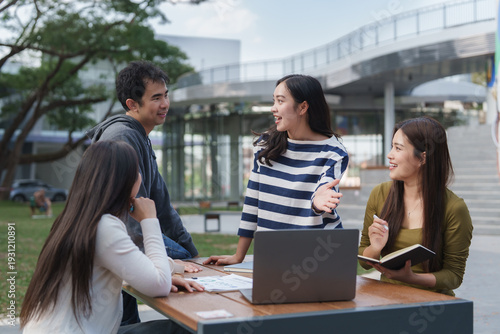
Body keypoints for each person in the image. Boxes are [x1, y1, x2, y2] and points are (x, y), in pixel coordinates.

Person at [20, 141, 202, 333]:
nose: (140, 178)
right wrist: (149, 220)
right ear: (124, 180)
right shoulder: (105, 226)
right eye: (137, 171)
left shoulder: (74, 219)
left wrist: (169, 269)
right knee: (184, 329)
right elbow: (159, 286)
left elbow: (125, 264)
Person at [86, 60, 200, 324]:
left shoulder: (141, 136)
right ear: (132, 104)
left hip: (124, 238)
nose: (165, 104)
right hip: (115, 237)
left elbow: (161, 203)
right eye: (156, 98)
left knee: (185, 258)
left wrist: (192, 253)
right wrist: (180, 258)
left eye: (166, 95)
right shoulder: (122, 138)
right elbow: (123, 212)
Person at [204, 74, 349, 266]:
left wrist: (317, 202)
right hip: (272, 254)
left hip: (318, 255)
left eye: (280, 101)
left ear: (303, 107)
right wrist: (238, 256)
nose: (273, 108)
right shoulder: (265, 146)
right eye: (274, 101)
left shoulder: (334, 151)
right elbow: (252, 202)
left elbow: (325, 189)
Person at [358, 116, 473, 296]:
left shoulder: (454, 208)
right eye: (392, 146)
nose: (390, 155)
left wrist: (410, 278)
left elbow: (454, 276)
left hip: (432, 306)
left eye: (398, 148)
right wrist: (375, 248)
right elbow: (364, 262)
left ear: (423, 158)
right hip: (386, 302)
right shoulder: (380, 194)